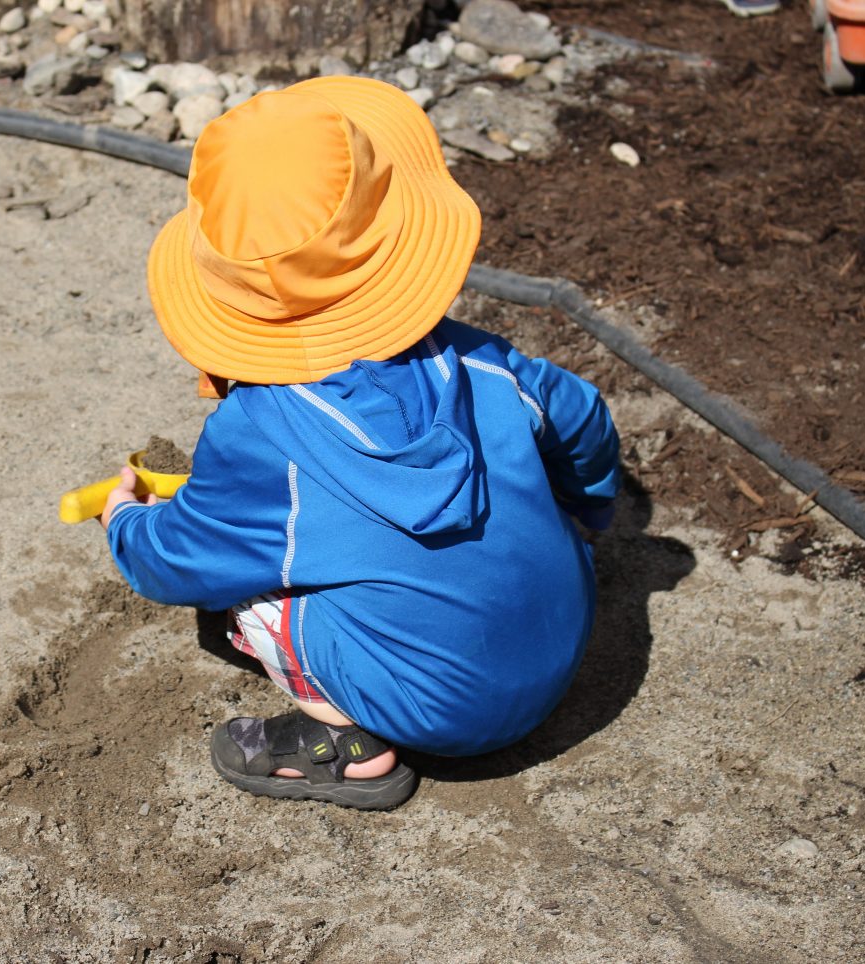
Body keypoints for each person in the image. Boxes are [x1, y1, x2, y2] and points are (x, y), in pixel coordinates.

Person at [99, 77, 620, 811]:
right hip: (568, 638)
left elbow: (178, 561)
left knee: (249, 584)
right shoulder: (484, 366)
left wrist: (124, 524)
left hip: (444, 713)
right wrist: (588, 515)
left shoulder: (257, 440)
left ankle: (342, 743)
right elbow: (586, 422)